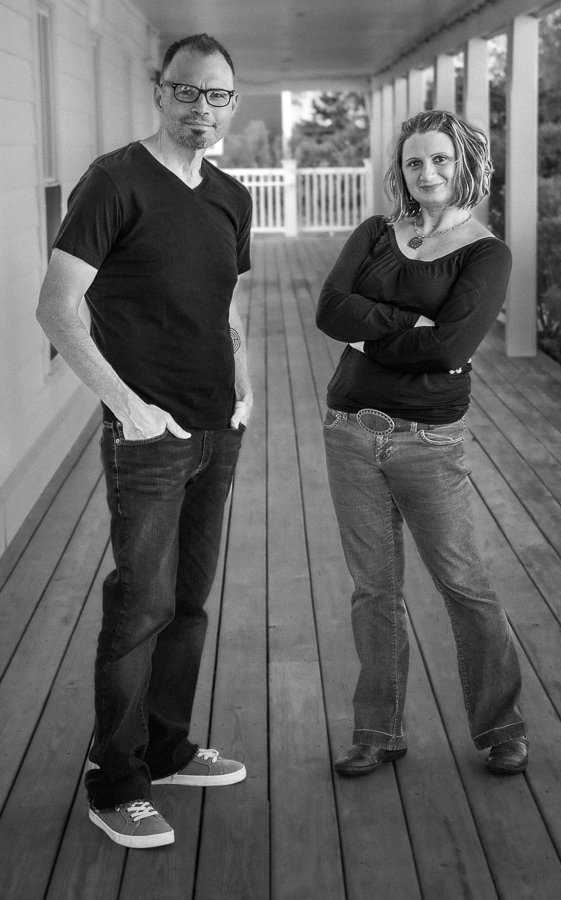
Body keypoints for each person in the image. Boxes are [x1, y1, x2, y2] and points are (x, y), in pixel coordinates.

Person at [36, 33, 253, 848]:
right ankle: (114, 781)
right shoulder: (113, 181)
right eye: (188, 92)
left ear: (235, 100)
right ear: (160, 92)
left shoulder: (231, 196)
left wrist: (244, 387)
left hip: (215, 431)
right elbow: (57, 309)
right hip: (149, 434)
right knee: (139, 608)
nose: (203, 108)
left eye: (218, 95)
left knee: (187, 605)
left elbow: (230, 306)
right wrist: (128, 406)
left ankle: (165, 750)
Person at [316, 110, 528, 778]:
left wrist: (371, 331)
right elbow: (329, 311)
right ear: (401, 170)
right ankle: (377, 731)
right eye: (414, 162)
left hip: (429, 442)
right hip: (351, 432)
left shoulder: (486, 252)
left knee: (464, 584)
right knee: (372, 590)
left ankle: (500, 727)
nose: (426, 173)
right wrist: (414, 322)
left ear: (464, 165)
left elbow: (453, 347)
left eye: (440, 159)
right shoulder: (376, 232)